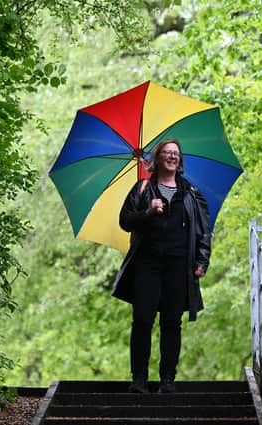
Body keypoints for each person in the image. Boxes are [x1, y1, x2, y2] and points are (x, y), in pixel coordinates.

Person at [112, 138, 211, 394]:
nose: (171, 156)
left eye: (175, 153)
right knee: (142, 320)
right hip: (147, 265)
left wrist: (202, 261)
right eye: (166, 152)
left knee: (171, 323)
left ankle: (167, 380)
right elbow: (125, 221)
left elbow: (203, 230)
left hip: (179, 267)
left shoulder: (191, 193)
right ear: (157, 159)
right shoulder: (143, 188)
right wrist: (147, 212)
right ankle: (139, 380)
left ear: (180, 161)